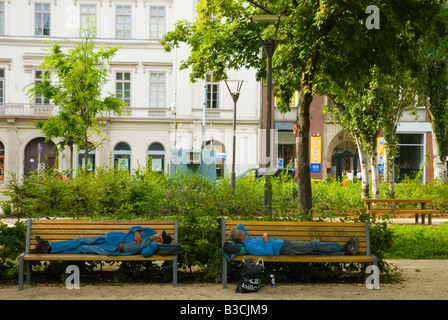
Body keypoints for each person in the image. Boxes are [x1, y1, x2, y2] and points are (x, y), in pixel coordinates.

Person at [34, 226, 172, 258]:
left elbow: (145, 254)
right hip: (112, 238)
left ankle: (49, 249)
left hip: (114, 249)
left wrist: (155, 244)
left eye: (160, 238)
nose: (158, 235)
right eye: (160, 234)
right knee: (82, 240)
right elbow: (134, 228)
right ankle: (50, 245)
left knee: (83, 248)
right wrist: (137, 232)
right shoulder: (149, 231)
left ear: (160, 242)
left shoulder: (151, 246)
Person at [228, 223, 358, 256]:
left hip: (284, 245)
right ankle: (344, 247)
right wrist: (266, 239)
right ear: (241, 236)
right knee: (314, 245)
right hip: (283, 247)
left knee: (315, 252)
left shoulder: (247, 240)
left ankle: (345, 252)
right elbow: (268, 253)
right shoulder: (250, 246)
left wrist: (232, 240)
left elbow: (240, 225)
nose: (242, 230)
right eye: (241, 232)